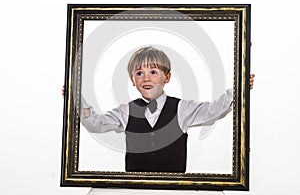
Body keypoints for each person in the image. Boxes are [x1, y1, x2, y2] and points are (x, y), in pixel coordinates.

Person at [63, 46, 255, 173]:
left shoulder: (182, 108)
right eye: (139, 73)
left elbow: (214, 110)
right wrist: (76, 99)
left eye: (153, 72)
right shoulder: (126, 111)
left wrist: (238, 90)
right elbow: (95, 124)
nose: (146, 78)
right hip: (134, 189)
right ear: (132, 80)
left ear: (167, 77)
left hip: (174, 190)